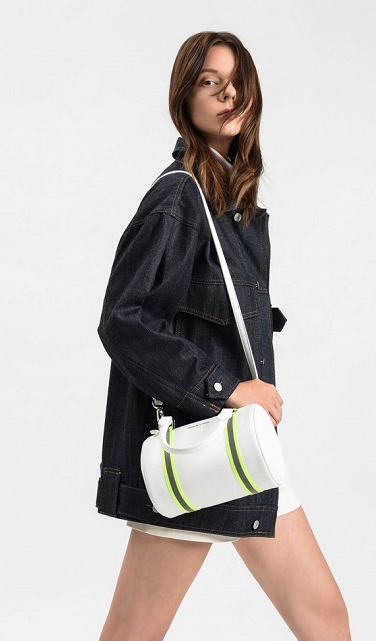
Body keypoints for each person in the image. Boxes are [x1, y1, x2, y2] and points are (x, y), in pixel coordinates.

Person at [96, 31, 351, 641]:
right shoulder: (179, 198)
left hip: (242, 452)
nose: (228, 94)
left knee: (325, 617)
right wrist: (230, 388)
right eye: (210, 82)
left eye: (238, 83)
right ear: (184, 98)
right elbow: (124, 320)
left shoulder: (230, 203)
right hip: (200, 450)